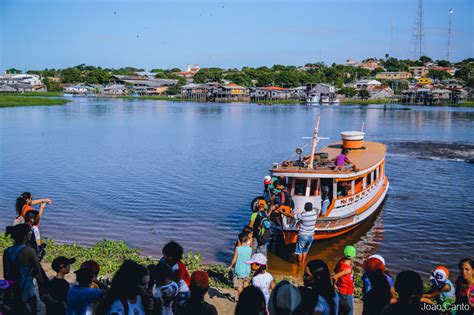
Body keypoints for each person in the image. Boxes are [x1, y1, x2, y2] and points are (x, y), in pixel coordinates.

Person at [2, 224, 46, 314]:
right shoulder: (29, 251)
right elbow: (38, 274)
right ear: (26, 236)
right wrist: (42, 291)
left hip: (13, 291)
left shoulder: (7, 251)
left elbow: (6, 275)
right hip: (27, 292)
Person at [280, 202, 317, 266]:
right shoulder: (314, 214)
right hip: (311, 236)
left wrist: (282, 212)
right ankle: (303, 263)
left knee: (299, 251)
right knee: (305, 251)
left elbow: (291, 216)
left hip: (303, 235)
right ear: (311, 208)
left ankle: (299, 265)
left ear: (305, 208)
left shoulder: (303, 216)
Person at [159, 241, 191, 306]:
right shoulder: (165, 260)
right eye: (164, 255)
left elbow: (173, 284)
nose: (164, 257)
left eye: (166, 255)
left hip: (183, 291)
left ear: (172, 257)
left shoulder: (177, 269)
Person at [333, 245, 356, 315]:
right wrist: (334, 285)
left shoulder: (341, 261)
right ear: (353, 256)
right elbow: (335, 277)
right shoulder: (348, 270)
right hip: (347, 291)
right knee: (350, 311)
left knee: (341, 309)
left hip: (341, 289)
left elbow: (335, 270)